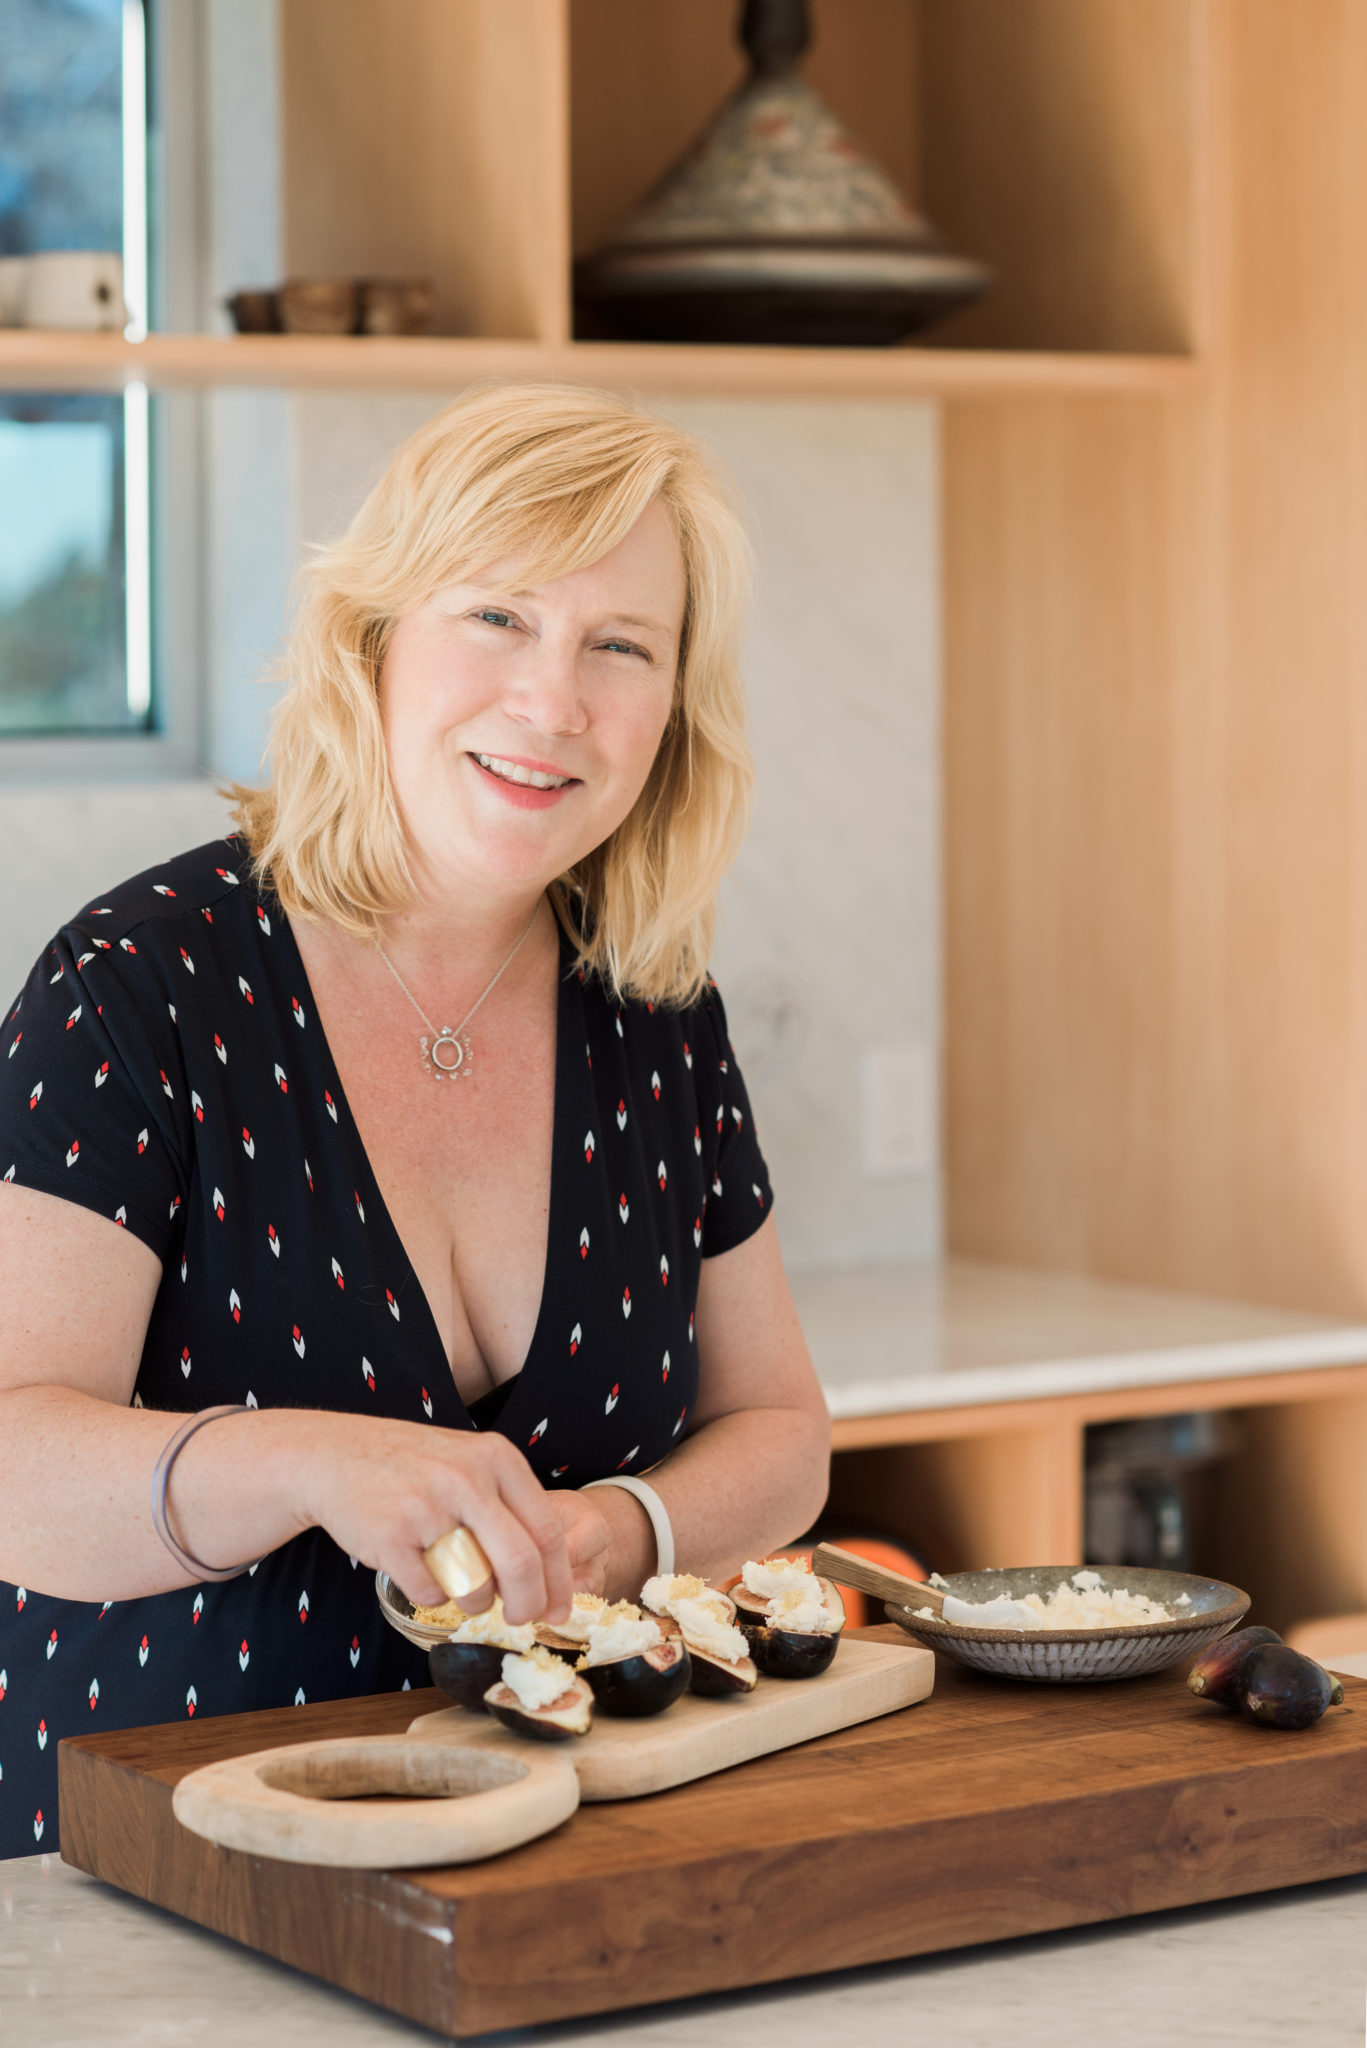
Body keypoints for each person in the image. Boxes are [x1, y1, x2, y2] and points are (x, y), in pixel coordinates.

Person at [0, 382, 831, 1856]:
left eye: (619, 646)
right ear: (373, 641)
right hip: (163, 1870)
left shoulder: (656, 1010)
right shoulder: (144, 985)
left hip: (553, 1863)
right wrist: (317, 1460)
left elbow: (780, 1435)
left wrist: (618, 1530)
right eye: (498, 617)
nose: (553, 700)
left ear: (672, 708)